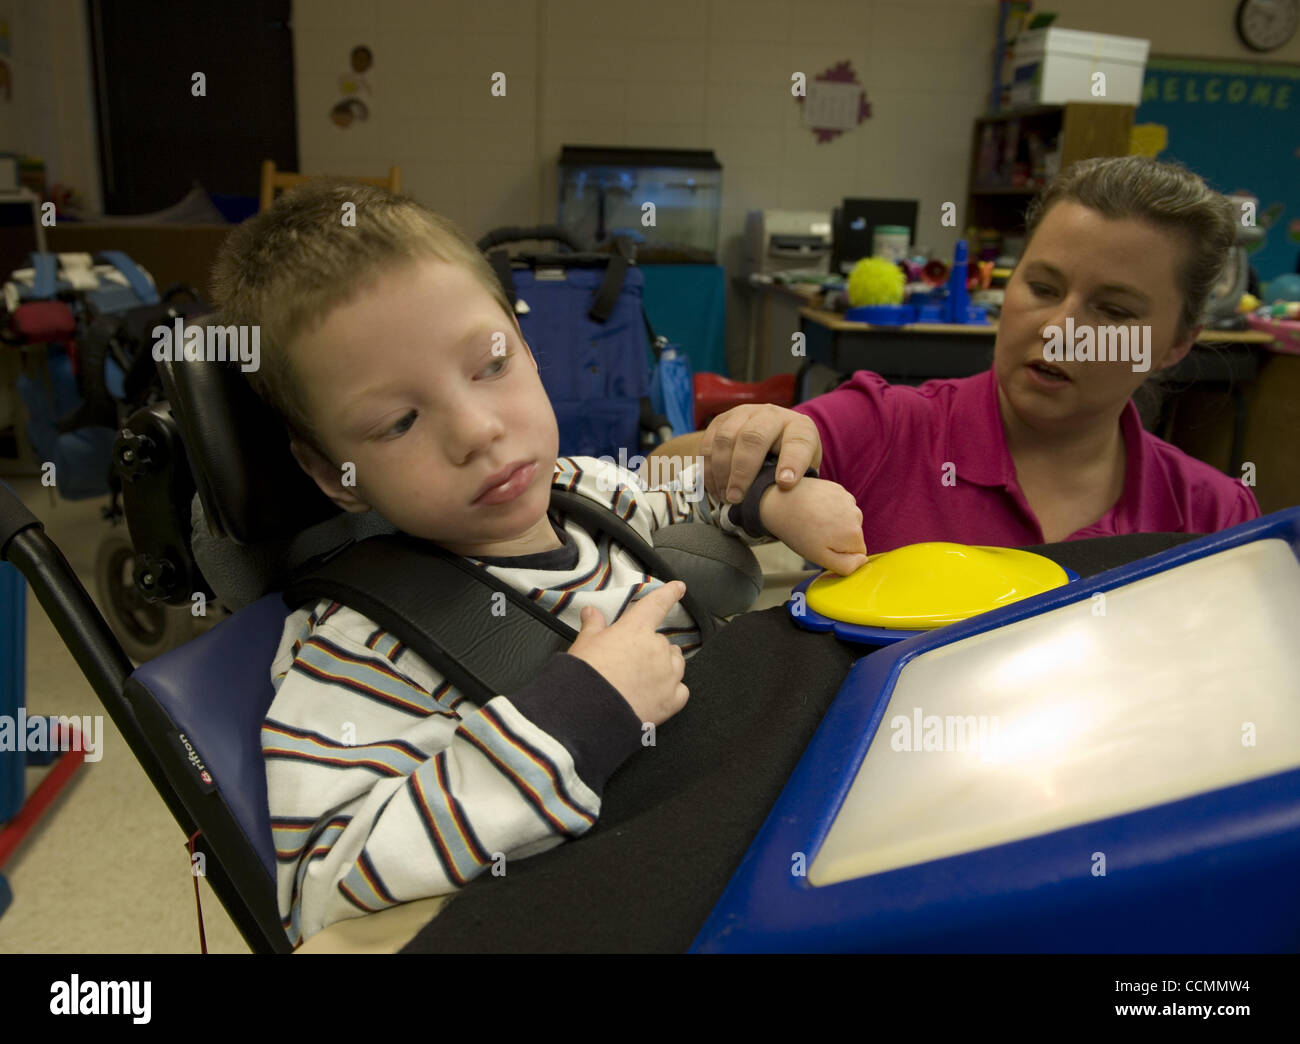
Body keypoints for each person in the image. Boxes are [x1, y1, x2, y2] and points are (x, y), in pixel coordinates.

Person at [209, 181, 865, 945]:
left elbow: (676, 495)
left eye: (491, 365)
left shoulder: (582, 490)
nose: (478, 430)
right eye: (399, 421)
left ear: (525, 344)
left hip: (751, 825)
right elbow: (322, 887)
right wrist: (578, 714)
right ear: (330, 472)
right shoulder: (358, 652)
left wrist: (768, 502)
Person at [659, 156, 1261, 551]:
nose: (1059, 328)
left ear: (1177, 343)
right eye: (1043, 288)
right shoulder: (888, 428)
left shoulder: (1211, 516)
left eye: (1115, 310)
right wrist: (755, 451)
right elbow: (657, 473)